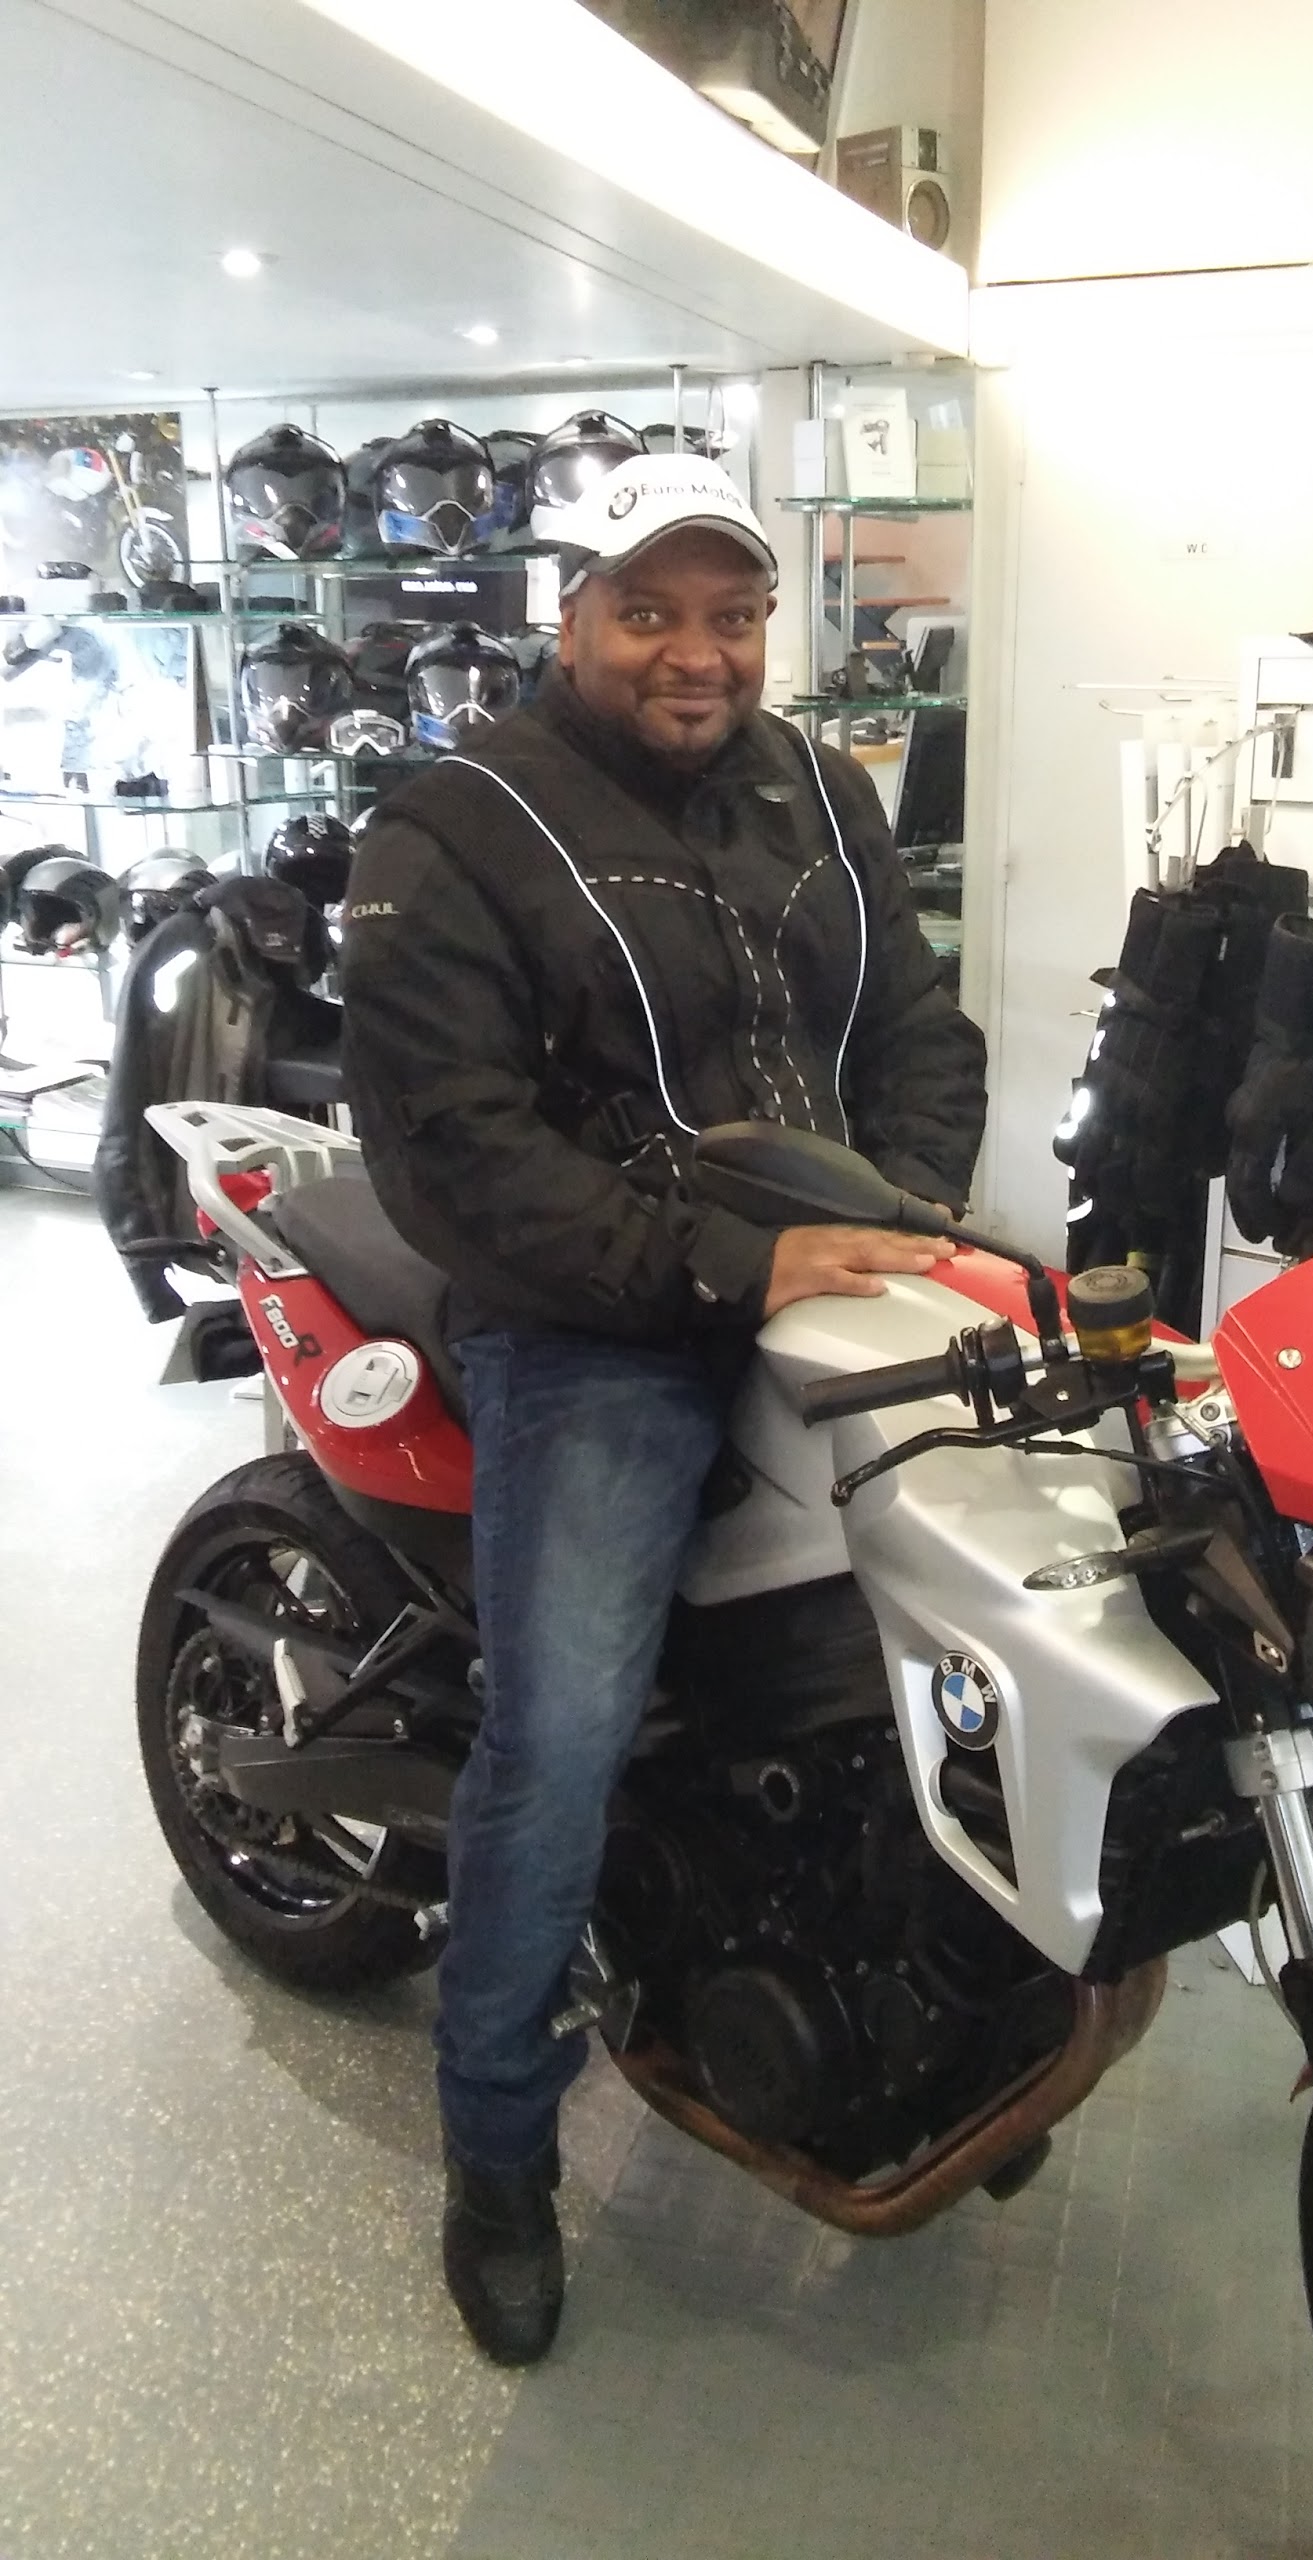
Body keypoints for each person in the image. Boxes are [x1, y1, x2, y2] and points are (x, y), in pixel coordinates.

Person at [339, 455, 988, 2366]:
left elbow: (921, 1033)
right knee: (561, 1733)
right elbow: (459, 1151)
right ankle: (498, 2156)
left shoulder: (823, 790)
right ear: (573, 612)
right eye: (649, 612)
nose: (696, 654)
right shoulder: (453, 826)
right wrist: (724, 1268)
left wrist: (909, 1210)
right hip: (594, 1319)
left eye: (732, 615)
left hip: (843, 1286)